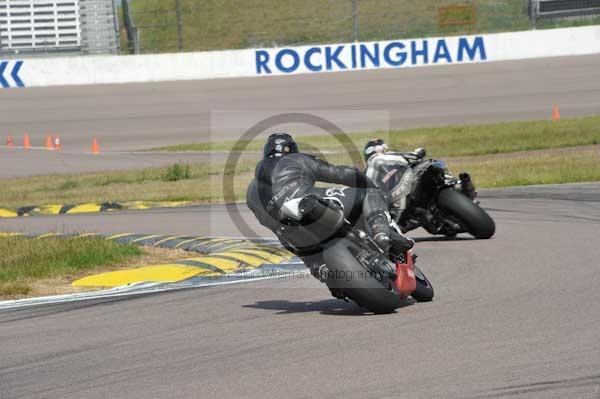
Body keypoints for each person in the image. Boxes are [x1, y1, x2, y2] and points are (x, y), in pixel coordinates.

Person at [246, 133, 414, 256]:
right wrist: (367, 183)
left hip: (288, 230)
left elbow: (264, 220)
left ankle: (321, 271)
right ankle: (380, 232)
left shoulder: (251, 191)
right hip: (306, 200)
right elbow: (339, 173)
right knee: (369, 194)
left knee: (300, 249)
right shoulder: (296, 158)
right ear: (292, 149)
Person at [363, 138, 477, 202]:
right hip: (395, 200)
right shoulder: (370, 171)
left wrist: (417, 154)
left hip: (413, 186)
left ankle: (457, 185)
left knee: (435, 164)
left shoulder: (392, 156)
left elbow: (416, 156)